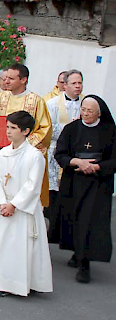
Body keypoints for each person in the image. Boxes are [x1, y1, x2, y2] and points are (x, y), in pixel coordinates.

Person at [0, 111, 53, 297]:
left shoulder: (34, 156)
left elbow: (33, 186)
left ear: (26, 131)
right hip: (4, 208)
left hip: (23, 210)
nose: (8, 131)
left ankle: (29, 282)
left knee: (23, 247)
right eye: (7, 127)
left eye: (12, 128)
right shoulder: (3, 153)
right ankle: (4, 283)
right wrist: (2, 202)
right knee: (4, 246)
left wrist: (14, 204)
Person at [49, 96, 115, 284]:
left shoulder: (109, 130)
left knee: (91, 221)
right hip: (74, 181)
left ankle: (85, 264)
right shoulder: (72, 129)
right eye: (83, 110)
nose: (85, 114)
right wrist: (77, 162)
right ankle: (77, 252)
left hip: (98, 183)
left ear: (99, 112)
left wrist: (97, 167)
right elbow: (60, 153)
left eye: (90, 111)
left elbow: (114, 158)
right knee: (74, 218)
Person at [0, 63, 52, 206]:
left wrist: (21, 146)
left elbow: (45, 129)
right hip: (1, 153)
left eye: (11, 79)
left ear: (23, 80)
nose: (6, 81)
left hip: (24, 157)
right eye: (6, 78)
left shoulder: (36, 101)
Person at [46, 69, 83, 216]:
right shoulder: (52, 104)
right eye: (74, 83)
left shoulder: (87, 103)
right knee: (55, 192)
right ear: (65, 85)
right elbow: (47, 128)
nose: (78, 86)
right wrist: (69, 127)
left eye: (80, 83)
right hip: (57, 151)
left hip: (78, 153)